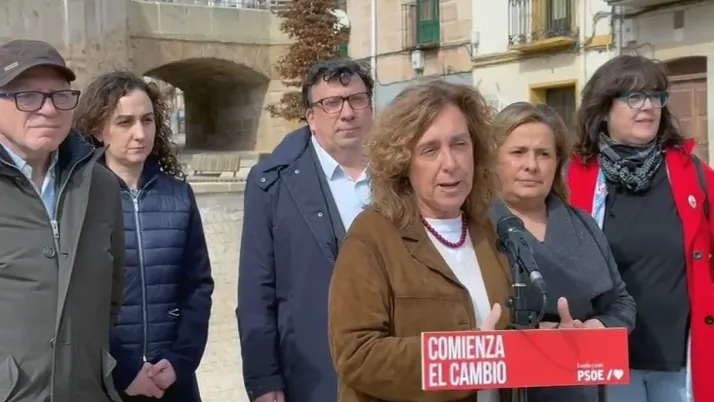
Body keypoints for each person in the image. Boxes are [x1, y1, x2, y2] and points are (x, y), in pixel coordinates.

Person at [327, 81, 588, 402]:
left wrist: (555, 340)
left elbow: (500, 339)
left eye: (460, 144)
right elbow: (356, 355)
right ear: (402, 162)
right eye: (430, 149)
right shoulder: (371, 237)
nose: (450, 163)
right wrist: (461, 358)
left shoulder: (491, 230)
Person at [568, 55, 714, 402]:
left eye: (655, 96)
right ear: (604, 109)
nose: (647, 106)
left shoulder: (692, 174)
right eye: (633, 97)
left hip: (680, 365)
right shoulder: (573, 178)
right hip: (608, 361)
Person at [237, 58, 374, 402]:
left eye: (356, 99)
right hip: (312, 372)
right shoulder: (272, 183)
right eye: (332, 103)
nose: (347, 113)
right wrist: (263, 378)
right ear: (311, 117)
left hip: (390, 366)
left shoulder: (402, 175)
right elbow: (256, 290)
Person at [73, 71, 214, 402]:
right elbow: (77, 299)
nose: (139, 133)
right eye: (125, 122)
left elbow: (197, 286)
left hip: (172, 380)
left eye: (147, 120)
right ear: (98, 130)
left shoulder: (178, 195)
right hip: (105, 381)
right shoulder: (79, 198)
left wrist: (179, 361)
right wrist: (124, 369)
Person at [0, 39, 125, 401]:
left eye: (60, 96)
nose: (49, 109)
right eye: (27, 96)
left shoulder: (100, 185)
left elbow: (113, 296)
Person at [489, 102, 636, 401]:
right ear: (493, 160)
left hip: (579, 388)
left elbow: (622, 303)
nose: (532, 165)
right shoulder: (474, 229)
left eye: (544, 154)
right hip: (507, 389)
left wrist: (597, 327)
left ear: (557, 163)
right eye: (518, 152)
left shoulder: (584, 225)